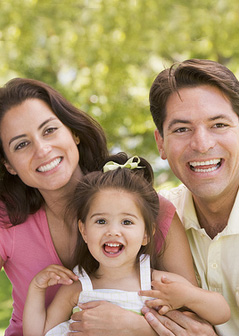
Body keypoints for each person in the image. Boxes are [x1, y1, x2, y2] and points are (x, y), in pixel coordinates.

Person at [0, 77, 188, 336]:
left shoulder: (148, 210)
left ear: (73, 132)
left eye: (49, 130)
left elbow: (196, 323)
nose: (42, 149)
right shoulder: (6, 219)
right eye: (21, 144)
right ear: (9, 165)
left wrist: (133, 326)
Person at [22, 153, 229, 336]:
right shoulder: (77, 289)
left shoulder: (157, 284)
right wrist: (37, 288)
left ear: (147, 234)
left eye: (127, 222)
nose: (113, 231)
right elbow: (37, 332)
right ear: (84, 231)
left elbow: (221, 312)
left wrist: (188, 295)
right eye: (101, 221)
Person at [145, 58, 239, 336]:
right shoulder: (152, 221)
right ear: (160, 143)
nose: (202, 144)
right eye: (182, 129)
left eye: (219, 124)